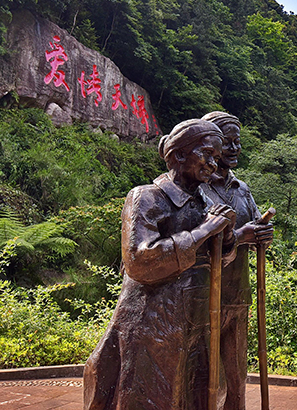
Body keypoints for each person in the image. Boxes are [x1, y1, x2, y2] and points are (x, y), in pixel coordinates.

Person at [83, 119, 237, 410]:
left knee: (199, 397)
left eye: (216, 159)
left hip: (197, 321)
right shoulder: (147, 197)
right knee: (151, 399)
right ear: (179, 155)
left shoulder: (206, 203)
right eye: (206, 154)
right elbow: (140, 261)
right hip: (152, 323)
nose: (213, 165)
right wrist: (203, 231)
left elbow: (221, 262)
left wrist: (225, 236)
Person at [200, 111, 273, 410]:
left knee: (236, 375)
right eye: (227, 143)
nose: (234, 149)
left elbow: (255, 226)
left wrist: (263, 233)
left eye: (237, 142)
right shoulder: (197, 187)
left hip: (238, 293)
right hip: (203, 296)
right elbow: (198, 239)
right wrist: (242, 235)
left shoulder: (242, 189)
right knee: (205, 376)